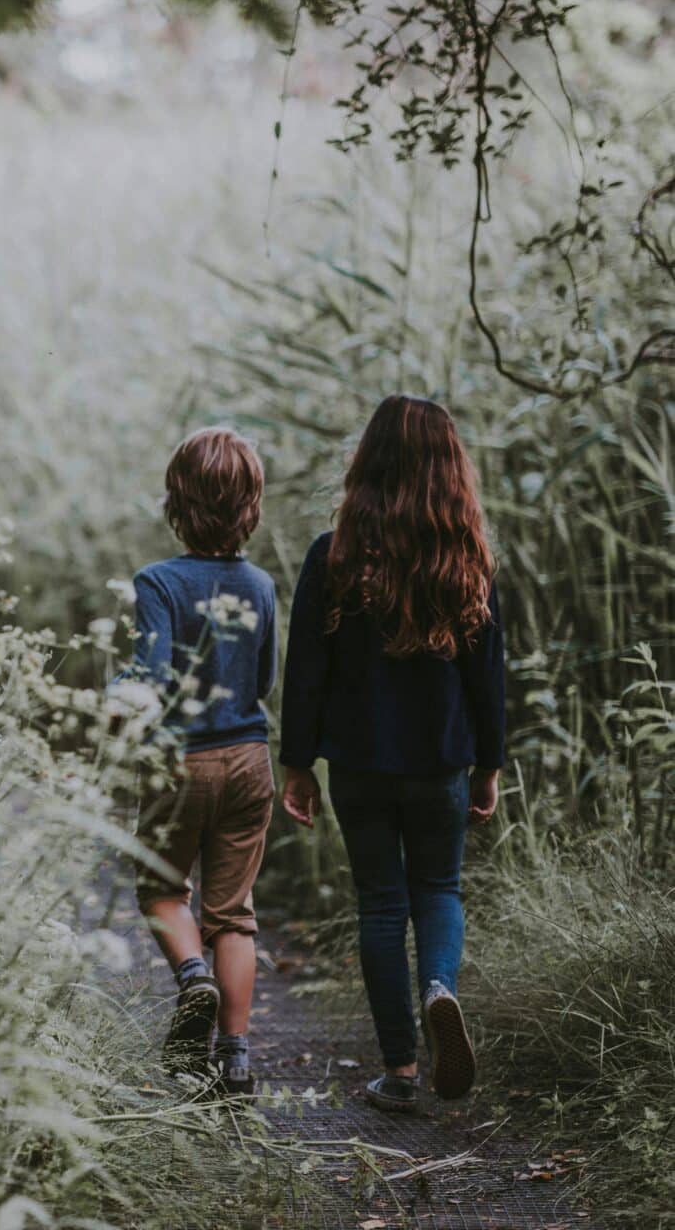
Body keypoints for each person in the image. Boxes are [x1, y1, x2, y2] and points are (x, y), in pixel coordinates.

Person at [280, 394, 504, 1113]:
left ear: (367, 464)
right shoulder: (465, 559)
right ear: (449, 469)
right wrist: (488, 764)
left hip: (359, 764)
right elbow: (487, 676)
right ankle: (439, 987)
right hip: (440, 762)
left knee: (380, 904)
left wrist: (296, 763)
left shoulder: (334, 557)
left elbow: (304, 670)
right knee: (438, 890)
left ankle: (401, 1072)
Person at [125, 427, 277, 1093]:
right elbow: (263, 680)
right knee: (233, 913)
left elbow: (151, 678)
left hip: (179, 761)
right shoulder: (261, 585)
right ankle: (235, 1058)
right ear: (251, 506)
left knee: (161, 887)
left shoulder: (157, 582)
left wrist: (115, 693)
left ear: (176, 503)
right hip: (248, 758)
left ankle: (193, 979)